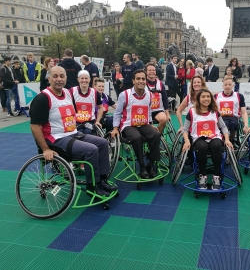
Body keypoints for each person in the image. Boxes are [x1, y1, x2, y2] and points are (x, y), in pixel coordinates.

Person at [29, 66, 116, 196]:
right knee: (91, 150)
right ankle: (92, 187)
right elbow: (35, 126)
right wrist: (45, 149)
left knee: (103, 143)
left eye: (62, 76)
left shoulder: (68, 94)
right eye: (55, 76)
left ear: (66, 78)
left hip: (72, 134)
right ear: (49, 78)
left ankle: (101, 181)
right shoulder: (43, 98)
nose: (59, 79)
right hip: (56, 139)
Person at [111, 69, 161, 179]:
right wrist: (115, 128)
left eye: (143, 79)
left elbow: (148, 110)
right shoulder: (124, 95)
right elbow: (118, 112)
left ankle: (150, 164)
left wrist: (151, 123)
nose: (141, 81)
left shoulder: (149, 94)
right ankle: (142, 166)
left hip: (143, 124)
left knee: (156, 135)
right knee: (137, 138)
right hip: (128, 125)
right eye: (138, 78)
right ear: (133, 81)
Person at [182, 88, 233, 190]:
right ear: (198, 99)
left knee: (217, 145)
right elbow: (185, 129)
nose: (206, 99)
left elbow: (223, 127)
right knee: (202, 146)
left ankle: (216, 176)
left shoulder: (215, 112)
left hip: (214, 137)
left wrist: (227, 139)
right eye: (203, 97)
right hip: (198, 138)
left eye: (208, 96)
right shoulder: (192, 112)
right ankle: (202, 175)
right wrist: (187, 141)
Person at [214, 77, 249, 143]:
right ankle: (224, 140)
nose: (227, 86)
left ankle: (232, 139)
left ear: (233, 85)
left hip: (234, 118)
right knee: (225, 124)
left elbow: (244, 112)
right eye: (226, 85)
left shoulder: (239, 96)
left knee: (234, 124)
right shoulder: (216, 96)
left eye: (230, 85)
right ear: (222, 86)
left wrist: (246, 124)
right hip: (221, 118)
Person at [70, 70, 103, 135]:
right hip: (76, 121)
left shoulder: (95, 93)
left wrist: (98, 121)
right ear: (78, 79)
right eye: (82, 78)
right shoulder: (71, 91)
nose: (84, 80)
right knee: (79, 133)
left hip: (89, 121)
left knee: (88, 133)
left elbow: (101, 108)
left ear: (90, 79)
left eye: (86, 78)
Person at [145, 62, 170, 134]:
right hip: (146, 110)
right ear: (146, 72)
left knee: (163, 119)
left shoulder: (160, 84)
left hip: (158, 110)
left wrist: (167, 114)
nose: (152, 72)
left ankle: (157, 136)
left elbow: (165, 99)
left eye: (153, 70)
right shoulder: (143, 84)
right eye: (149, 70)